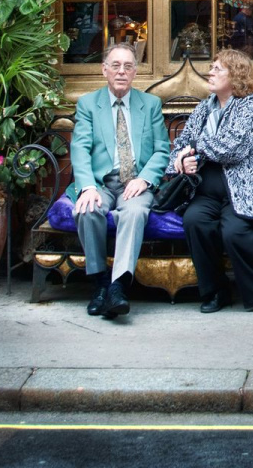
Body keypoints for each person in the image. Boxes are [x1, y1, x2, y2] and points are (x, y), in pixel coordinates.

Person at [168, 49, 253, 314]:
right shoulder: (203, 107)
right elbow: (179, 146)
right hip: (206, 192)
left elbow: (231, 148)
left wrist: (194, 147)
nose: (211, 72)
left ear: (236, 75)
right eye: (211, 67)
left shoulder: (251, 105)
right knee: (195, 222)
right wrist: (182, 161)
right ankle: (216, 292)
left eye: (218, 68)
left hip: (242, 191)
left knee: (235, 232)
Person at [66, 42, 169, 320]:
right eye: (115, 66)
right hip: (100, 181)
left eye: (127, 66)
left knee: (134, 211)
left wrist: (145, 179)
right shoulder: (89, 104)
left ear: (135, 72)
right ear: (104, 70)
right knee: (87, 209)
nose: (121, 72)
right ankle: (99, 283)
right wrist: (87, 186)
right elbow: (80, 148)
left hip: (135, 182)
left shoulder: (150, 105)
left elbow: (162, 149)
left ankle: (118, 287)